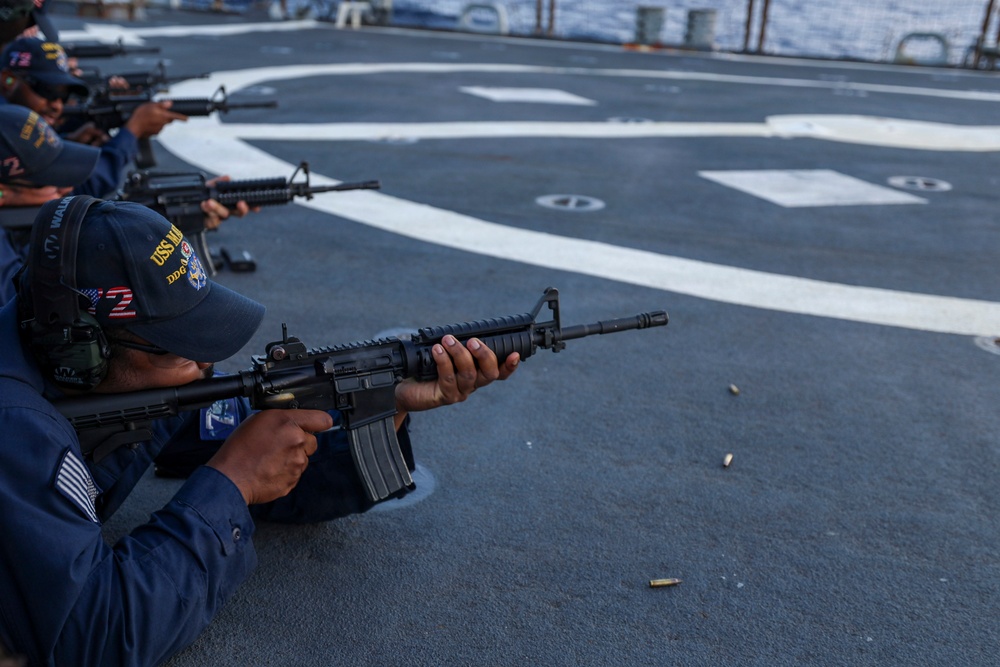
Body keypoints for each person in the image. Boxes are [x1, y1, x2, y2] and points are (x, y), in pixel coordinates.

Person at [0, 196, 520, 665]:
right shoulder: (16, 426)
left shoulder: (110, 384)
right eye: (182, 346)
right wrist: (231, 484)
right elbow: (97, 638)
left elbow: (266, 463)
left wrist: (383, 402)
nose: (208, 361)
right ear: (80, 352)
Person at [0, 36, 186, 198]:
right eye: (47, 91)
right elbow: (72, 190)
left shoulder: (14, 128)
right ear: (8, 81)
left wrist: (69, 140)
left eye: (64, 96)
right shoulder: (7, 138)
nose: (57, 105)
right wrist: (132, 131)